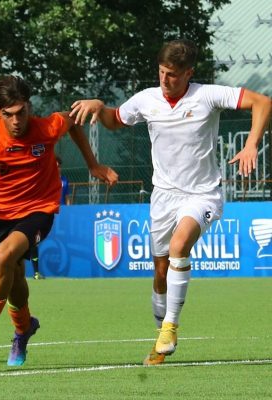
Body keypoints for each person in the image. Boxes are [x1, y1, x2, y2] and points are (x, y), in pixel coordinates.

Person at [70, 39, 272, 366]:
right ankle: (160, 333)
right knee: (160, 273)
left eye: (173, 75)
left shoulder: (207, 95)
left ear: (188, 73)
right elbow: (113, 120)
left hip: (202, 194)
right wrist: (98, 105)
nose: (165, 80)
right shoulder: (146, 100)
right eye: (162, 72)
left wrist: (251, 145)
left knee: (180, 246)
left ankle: (171, 328)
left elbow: (262, 102)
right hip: (163, 197)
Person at [0, 75, 118, 366]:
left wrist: (93, 164)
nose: (16, 121)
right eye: (8, 115)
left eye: (21, 112)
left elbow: (74, 122)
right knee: (12, 274)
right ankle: (23, 329)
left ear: (29, 105)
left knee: (4, 256)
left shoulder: (47, 127)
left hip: (38, 209)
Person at [30, 155, 70, 279]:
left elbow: (67, 199)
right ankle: (36, 272)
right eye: (55, 166)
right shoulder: (44, 180)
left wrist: (68, 209)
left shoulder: (64, 181)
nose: (58, 169)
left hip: (57, 214)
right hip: (42, 215)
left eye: (59, 167)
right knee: (33, 242)